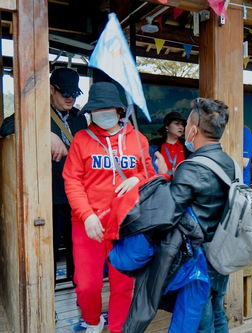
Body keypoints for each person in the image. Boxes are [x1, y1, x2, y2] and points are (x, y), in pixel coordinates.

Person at [63, 82, 155, 333]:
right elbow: (71, 180)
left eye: (107, 109)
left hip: (125, 224)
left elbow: (150, 175)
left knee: (123, 283)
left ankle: (117, 328)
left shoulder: (138, 139)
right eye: (96, 110)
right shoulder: (82, 139)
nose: (101, 114)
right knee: (86, 285)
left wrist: (138, 178)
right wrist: (87, 215)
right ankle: (92, 320)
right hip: (87, 223)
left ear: (119, 110)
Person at [159, 98, 234, 333]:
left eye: (188, 123)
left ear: (193, 130)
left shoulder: (190, 167)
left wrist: (163, 176)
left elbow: (169, 213)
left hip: (198, 256)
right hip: (221, 250)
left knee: (201, 320)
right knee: (217, 310)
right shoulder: (227, 161)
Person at [49, 68, 88, 284]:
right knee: (51, 246)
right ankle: (49, 293)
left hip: (77, 194)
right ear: (51, 90)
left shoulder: (80, 118)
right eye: (65, 93)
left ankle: (78, 287)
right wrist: (45, 133)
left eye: (74, 93)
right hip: (51, 194)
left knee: (78, 245)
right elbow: (6, 127)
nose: (71, 98)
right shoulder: (36, 113)